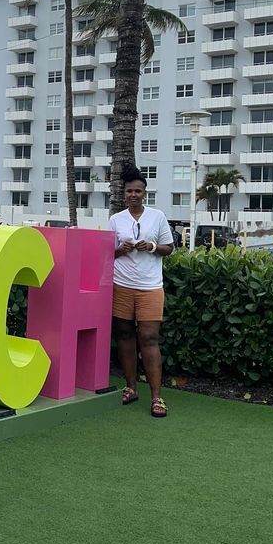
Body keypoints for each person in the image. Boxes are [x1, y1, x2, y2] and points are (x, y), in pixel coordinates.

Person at [110, 169, 172, 419]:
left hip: (150, 286)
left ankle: (157, 396)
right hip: (121, 284)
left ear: (144, 193)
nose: (133, 194)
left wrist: (153, 246)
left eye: (137, 190)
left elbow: (169, 248)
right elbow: (107, 253)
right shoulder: (116, 219)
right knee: (124, 335)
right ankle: (131, 387)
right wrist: (120, 249)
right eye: (129, 191)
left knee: (148, 337)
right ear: (123, 194)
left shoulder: (157, 217)